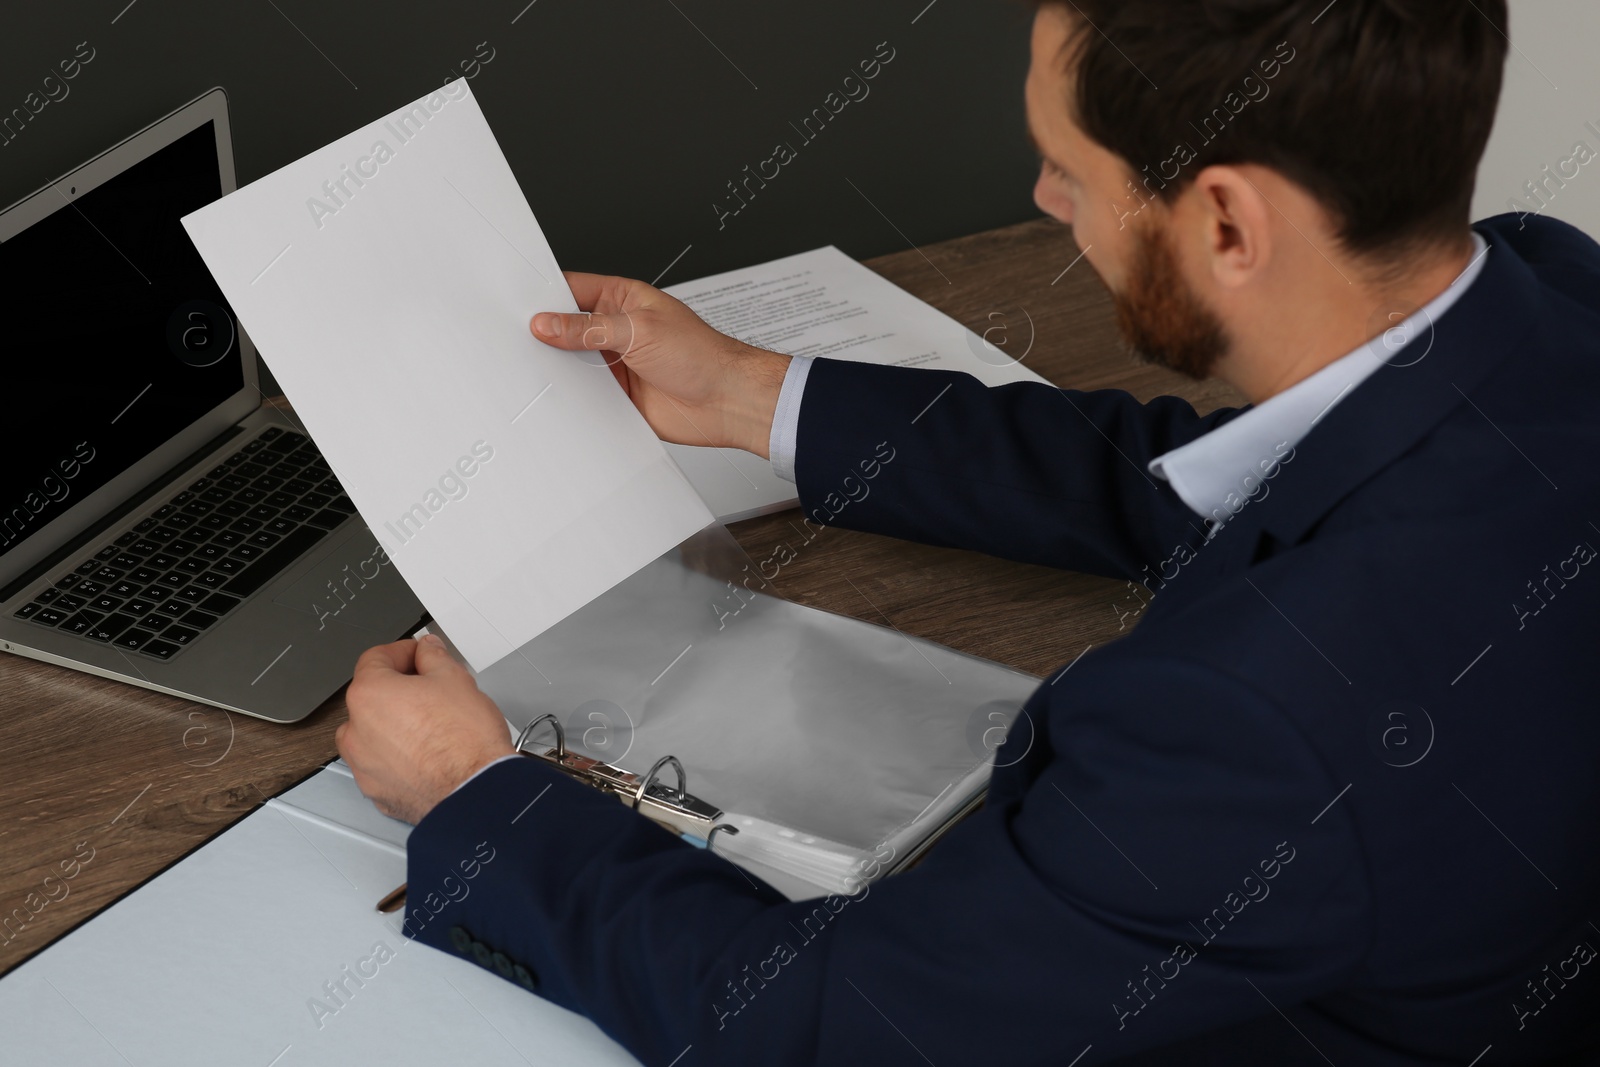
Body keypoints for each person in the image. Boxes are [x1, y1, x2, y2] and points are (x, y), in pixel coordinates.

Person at [336, 0, 1600, 1062]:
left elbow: (836, 1027)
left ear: (1225, 222)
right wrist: (750, 392)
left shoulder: (1248, 728)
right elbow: (1225, 477)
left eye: (1071, 165)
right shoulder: (1550, 294)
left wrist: (474, 795)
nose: (1043, 195)